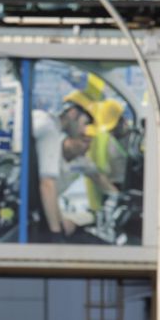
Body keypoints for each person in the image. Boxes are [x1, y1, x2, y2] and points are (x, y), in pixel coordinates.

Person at [32, 90, 119, 238]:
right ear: (72, 113)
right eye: (85, 123)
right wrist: (56, 233)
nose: (85, 131)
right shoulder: (50, 131)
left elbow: (98, 177)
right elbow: (47, 185)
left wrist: (118, 197)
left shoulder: (44, 122)